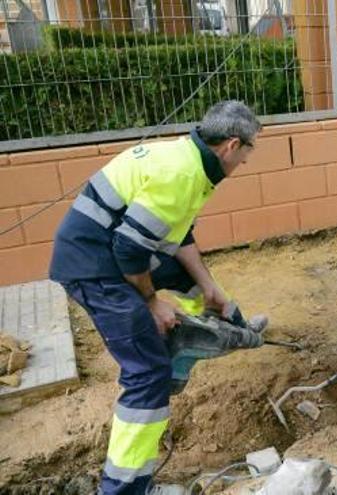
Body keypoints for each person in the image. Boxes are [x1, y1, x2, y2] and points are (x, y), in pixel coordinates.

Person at [49, 101, 264, 495]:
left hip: (111, 250)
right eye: (250, 152)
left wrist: (211, 290)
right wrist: (151, 303)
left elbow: (178, 235)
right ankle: (125, 489)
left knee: (196, 285)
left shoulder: (192, 162)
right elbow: (129, 250)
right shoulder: (182, 174)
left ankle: (211, 329)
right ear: (233, 145)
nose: (248, 162)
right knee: (148, 375)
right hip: (96, 266)